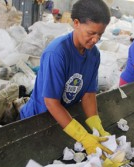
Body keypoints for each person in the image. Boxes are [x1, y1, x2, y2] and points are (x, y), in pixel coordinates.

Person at [20, 0, 112, 156]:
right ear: (76, 23)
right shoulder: (57, 53)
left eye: (100, 34)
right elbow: (51, 102)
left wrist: (98, 129)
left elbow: (89, 94)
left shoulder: (93, 54)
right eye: (91, 33)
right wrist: (82, 136)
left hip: (64, 120)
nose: (95, 39)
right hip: (37, 121)